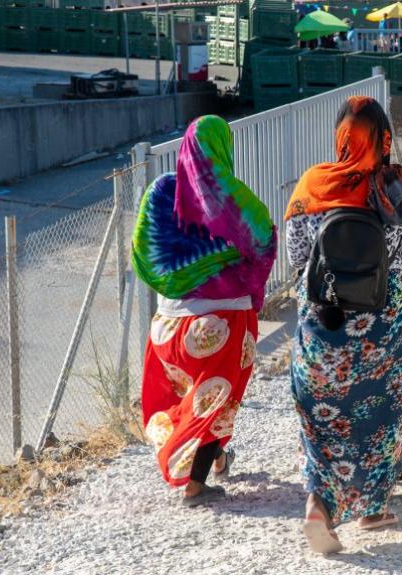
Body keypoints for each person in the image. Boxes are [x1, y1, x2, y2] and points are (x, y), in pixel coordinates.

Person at [286, 96, 402, 554]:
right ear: (384, 138)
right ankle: (374, 507)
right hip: (385, 332)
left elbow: (296, 257)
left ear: (340, 136)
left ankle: (319, 504)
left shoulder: (312, 184)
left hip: (325, 328)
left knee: (322, 418)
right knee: (382, 413)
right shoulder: (395, 185)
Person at [132, 115, 278, 507]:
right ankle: (194, 485)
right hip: (222, 325)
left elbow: (143, 256)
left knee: (192, 396)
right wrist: (233, 279)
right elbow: (264, 247)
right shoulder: (234, 200)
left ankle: (218, 458)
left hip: (167, 328)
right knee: (216, 401)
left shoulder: (161, 191)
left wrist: (182, 285)